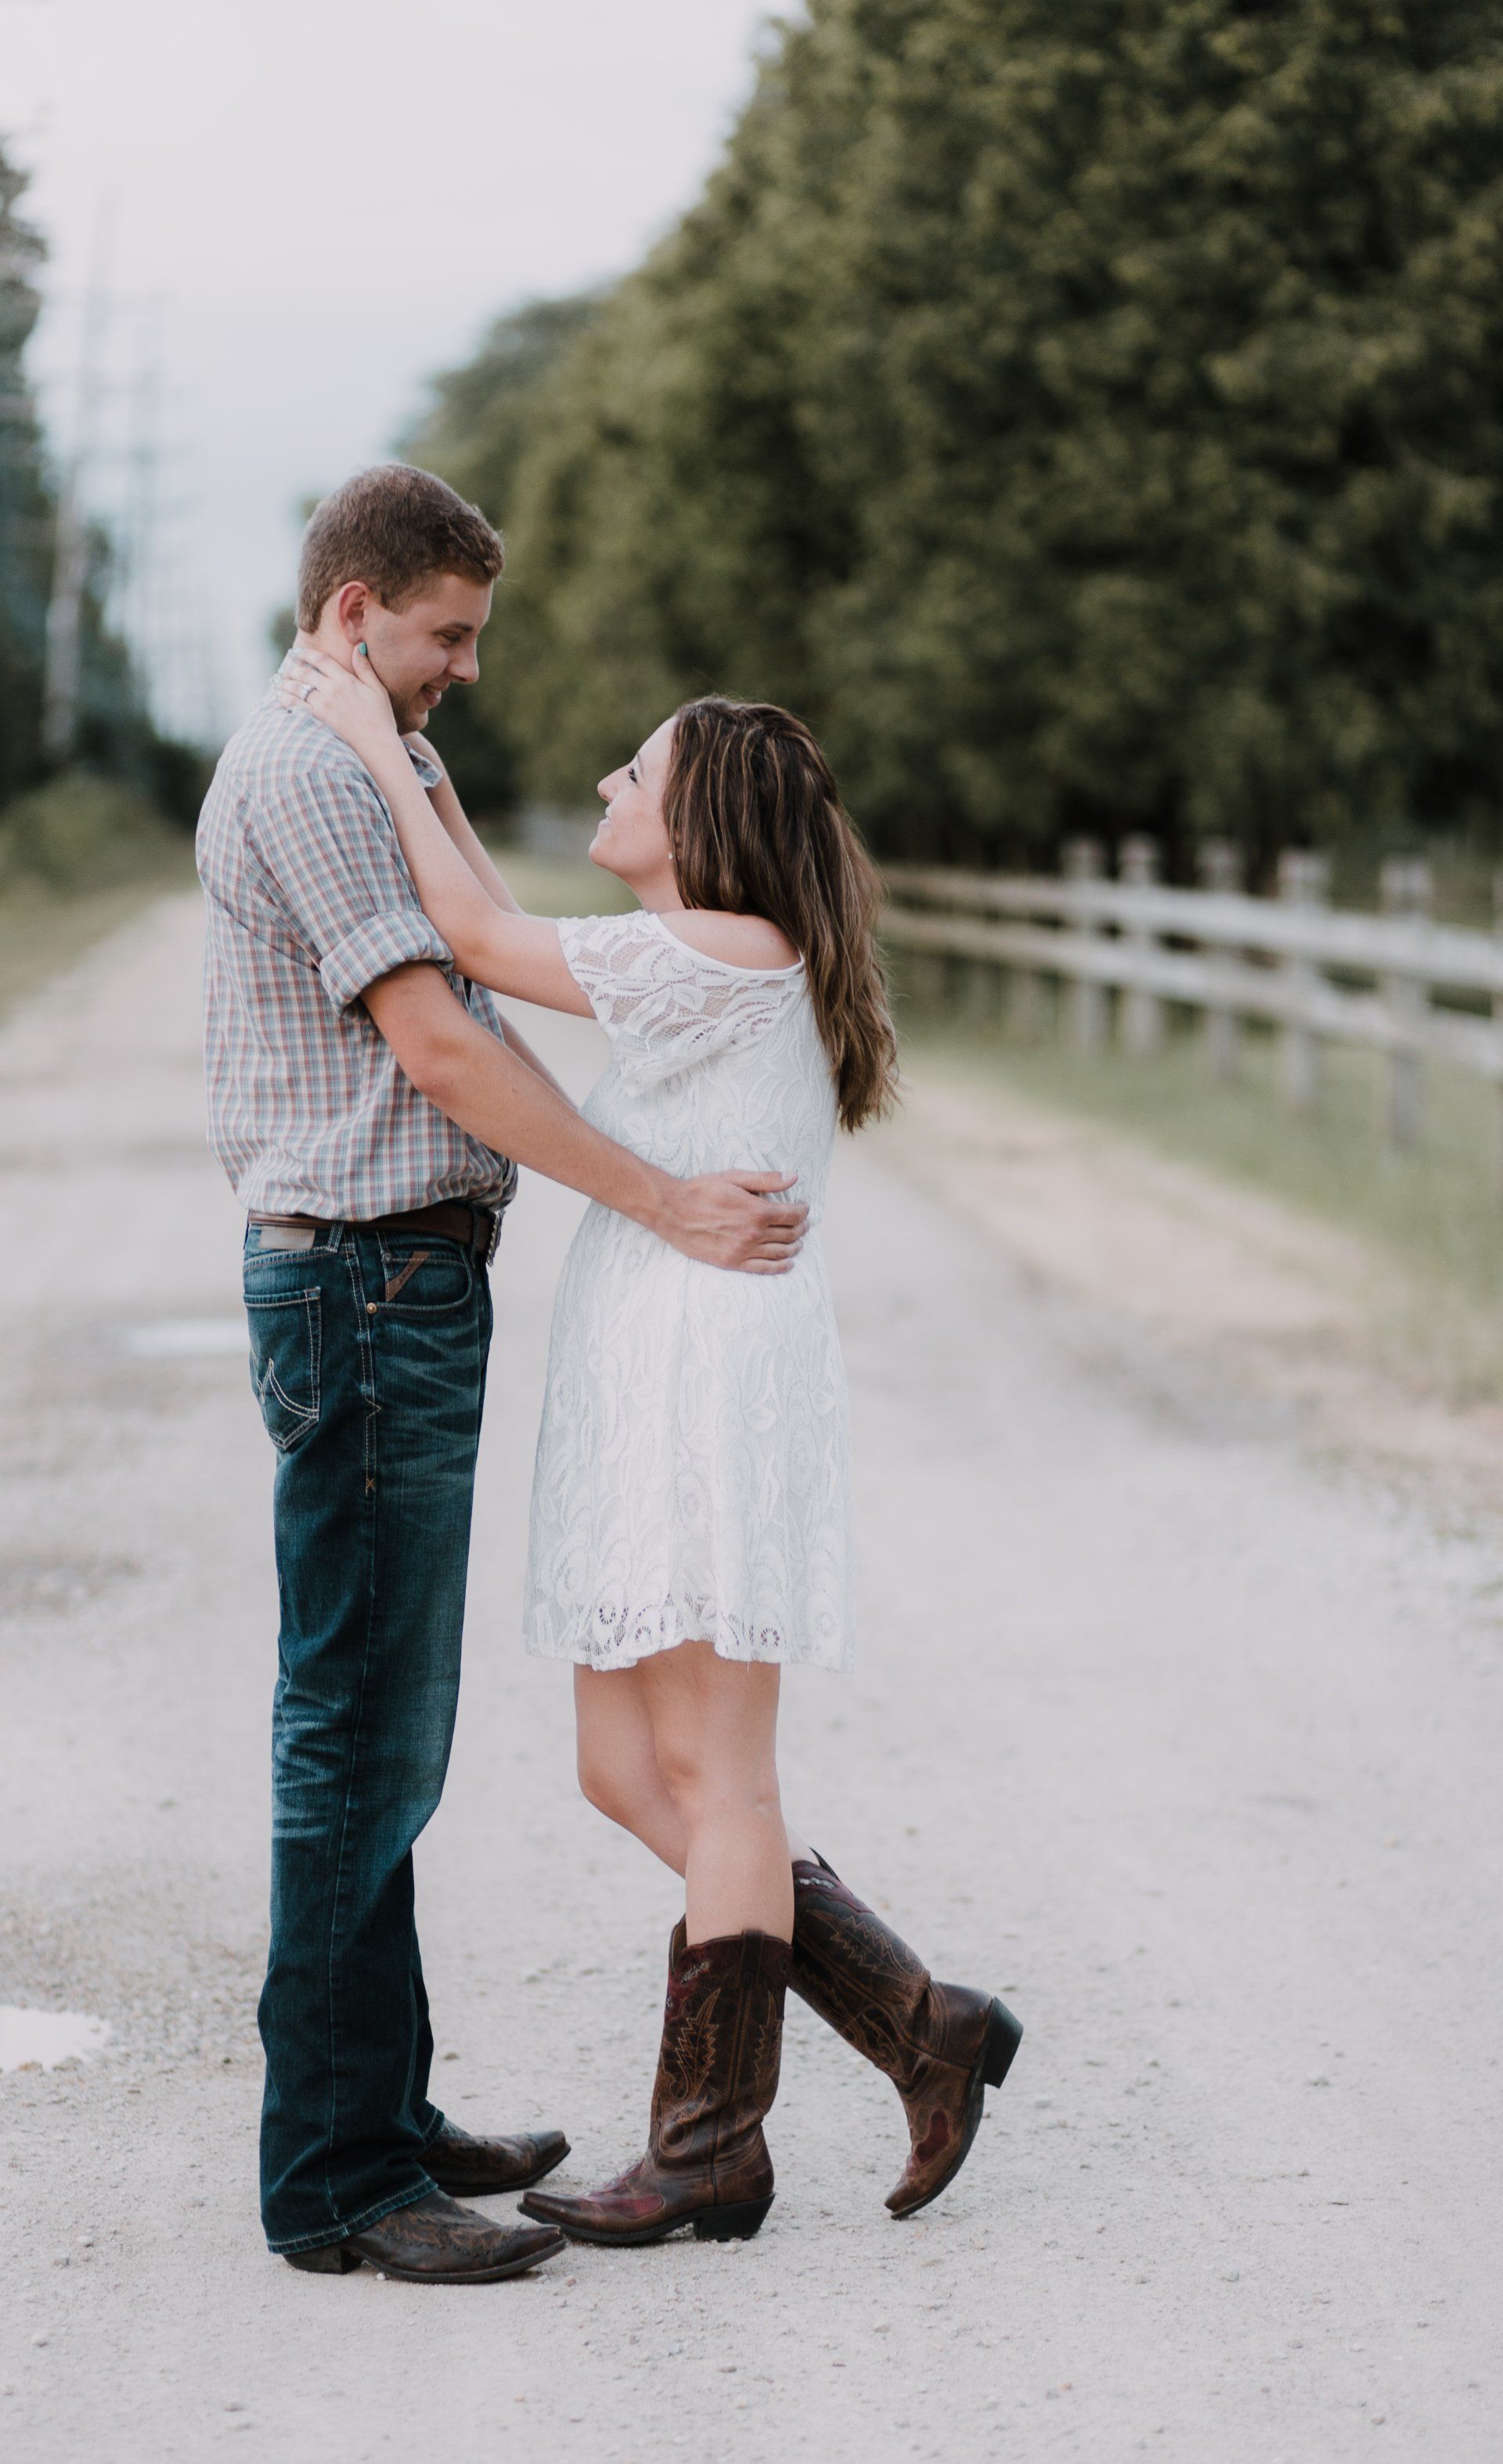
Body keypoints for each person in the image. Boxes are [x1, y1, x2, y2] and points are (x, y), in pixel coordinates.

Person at [281, 640, 1024, 2248]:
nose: (614, 782)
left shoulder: (724, 945)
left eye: (638, 770)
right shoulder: (719, 944)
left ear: (703, 823)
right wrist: (429, 777)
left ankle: (708, 2147)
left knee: (721, 1771)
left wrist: (368, 736)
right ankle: (918, 2020)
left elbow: (473, 937)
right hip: (655, 1358)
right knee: (622, 1766)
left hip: (707, 1370)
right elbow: (497, 909)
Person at [198, 464, 808, 2288]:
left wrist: (418, 752)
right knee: (359, 1736)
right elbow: (444, 1046)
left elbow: (489, 939)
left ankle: (380, 2106)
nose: (467, 666)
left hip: (395, 1286)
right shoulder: (318, 770)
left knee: (385, 1727)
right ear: (351, 609)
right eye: (446, 633)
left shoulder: (374, 748)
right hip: (367, 1286)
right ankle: (335, 2174)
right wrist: (661, 1200)